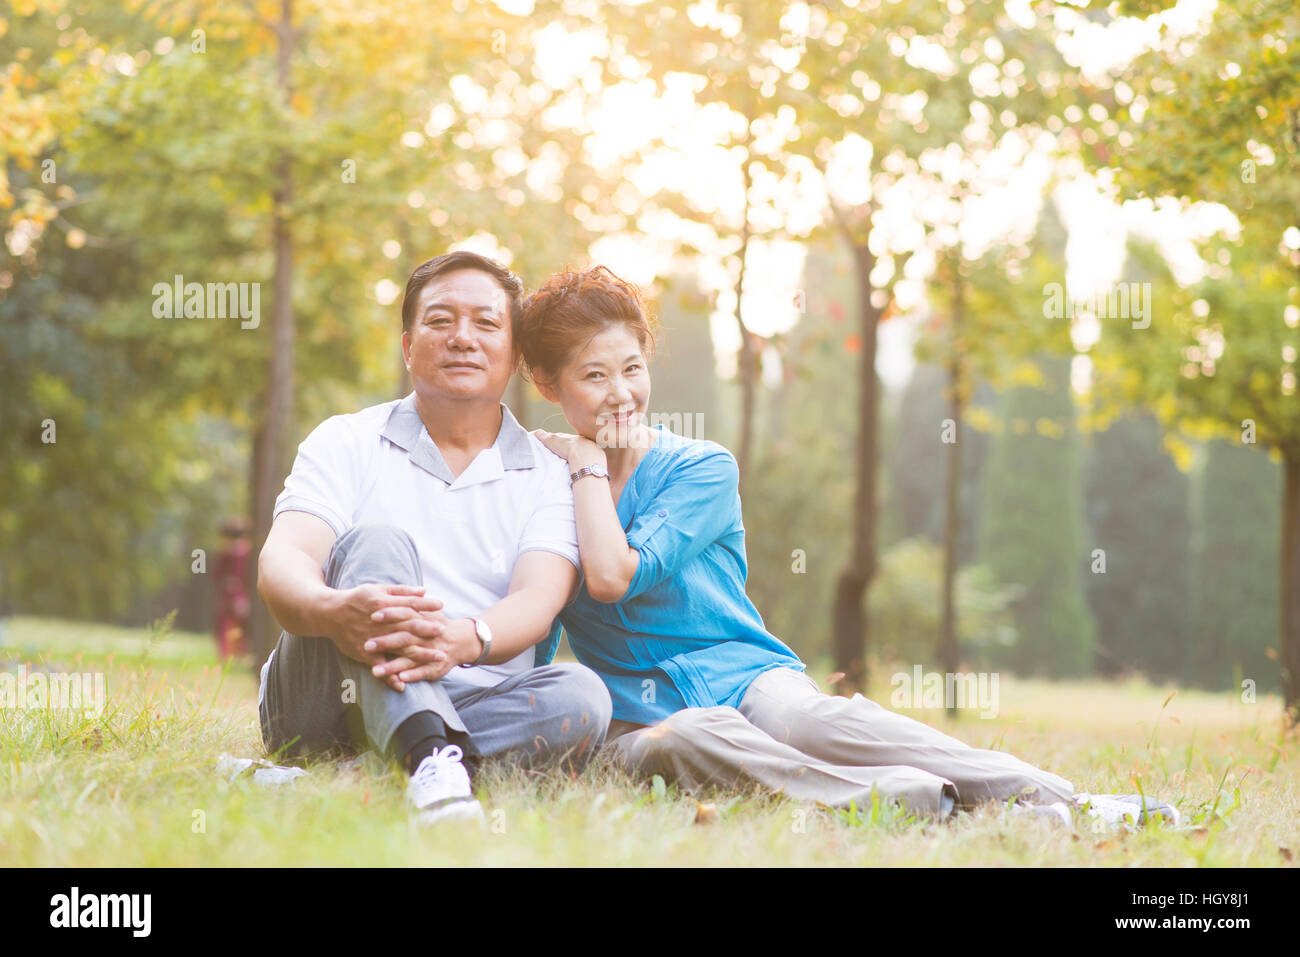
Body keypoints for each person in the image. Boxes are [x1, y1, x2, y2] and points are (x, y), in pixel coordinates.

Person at [517, 264, 1176, 828]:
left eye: (631, 367)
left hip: (744, 677)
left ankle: (1067, 800)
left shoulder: (700, 468)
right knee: (691, 736)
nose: (620, 393)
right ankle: (920, 804)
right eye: (594, 376)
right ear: (550, 386)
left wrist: (582, 459)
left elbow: (613, 574)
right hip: (643, 720)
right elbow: (537, 626)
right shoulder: (544, 491)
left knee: (808, 723)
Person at [256, 251, 612, 825]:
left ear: (514, 353)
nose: (462, 339)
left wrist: (460, 641)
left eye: (486, 324)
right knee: (377, 543)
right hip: (328, 699)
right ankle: (429, 758)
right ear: (407, 346)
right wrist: (331, 608)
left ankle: (368, 776)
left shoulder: (550, 473)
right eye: (441, 321)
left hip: (472, 698)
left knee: (583, 697)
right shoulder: (347, 440)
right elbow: (285, 557)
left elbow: (538, 600)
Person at [214, 518, 252, 660]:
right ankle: (239, 653)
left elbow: (216, 574)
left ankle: (227, 653)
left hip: (227, 593)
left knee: (225, 622)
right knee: (241, 623)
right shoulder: (247, 551)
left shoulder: (224, 551)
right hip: (242, 591)